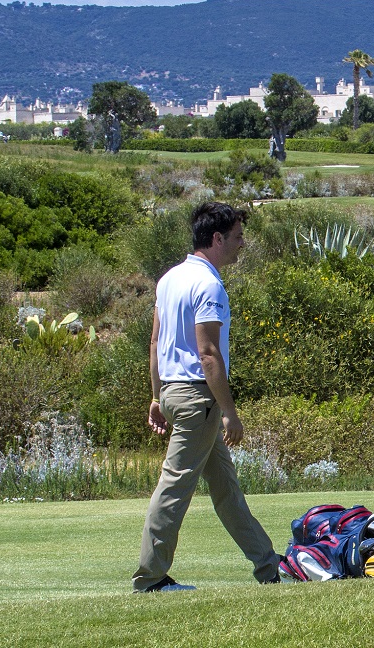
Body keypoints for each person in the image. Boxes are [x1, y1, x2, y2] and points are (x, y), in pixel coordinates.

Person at [133, 201, 281, 592]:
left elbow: (154, 343)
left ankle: (269, 567)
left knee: (226, 489)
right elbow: (208, 353)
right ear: (217, 238)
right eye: (237, 237)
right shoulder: (209, 284)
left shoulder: (169, 279)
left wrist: (156, 397)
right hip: (198, 399)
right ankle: (150, 579)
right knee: (174, 487)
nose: (241, 244)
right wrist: (230, 413)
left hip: (173, 392)